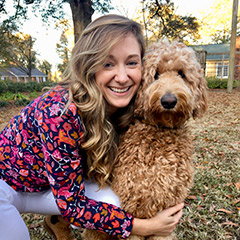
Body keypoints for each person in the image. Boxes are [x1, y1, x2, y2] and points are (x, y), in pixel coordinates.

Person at [0, 14, 184, 240]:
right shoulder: (59, 112)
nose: (123, 77)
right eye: (108, 63)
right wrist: (143, 227)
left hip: (50, 186)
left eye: (132, 62)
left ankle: (56, 222)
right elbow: (73, 205)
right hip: (7, 186)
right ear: (89, 65)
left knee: (114, 202)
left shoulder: (128, 103)